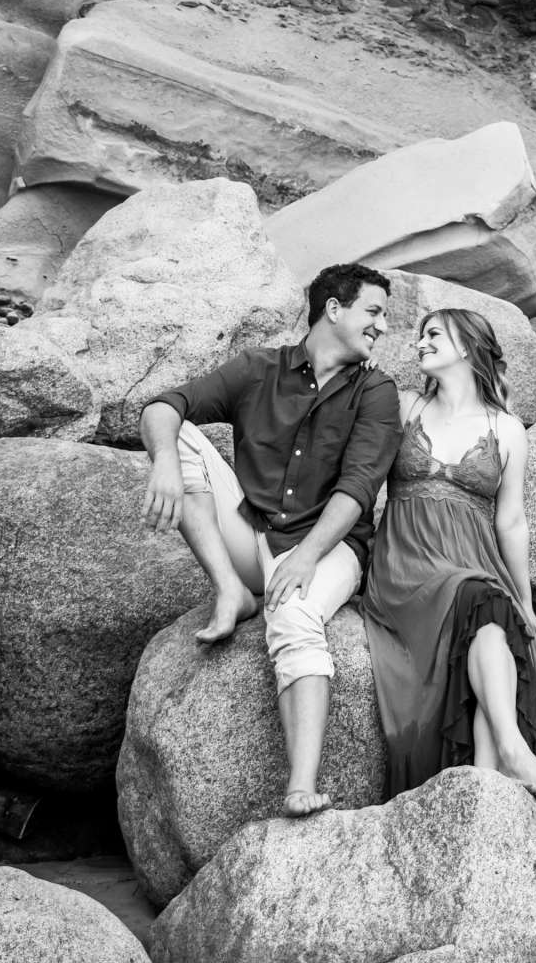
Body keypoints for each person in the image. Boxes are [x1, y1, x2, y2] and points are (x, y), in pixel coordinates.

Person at [137, 263, 402, 817]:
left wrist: (306, 558)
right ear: (334, 309)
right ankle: (229, 588)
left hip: (331, 548)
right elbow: (167, 404)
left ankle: (301, 784)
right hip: (252, 535)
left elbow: (359, 486)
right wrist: (163, 458)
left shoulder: (375, 391)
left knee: (295, 617)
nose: (381, 326)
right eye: (373, 312)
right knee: (177, 431)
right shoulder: (259, 368)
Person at [362, 306, 536, 805]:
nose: (421, 344)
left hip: (471, 562)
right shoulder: (404, 406)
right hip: (406, 565)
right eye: (420, 336)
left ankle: (489, 776)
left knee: (494, 617)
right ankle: (513, 755)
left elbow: (511, 522)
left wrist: (525, 602)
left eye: (433, 334)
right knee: (481, 602)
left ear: (465, 346)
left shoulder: (507, 430)